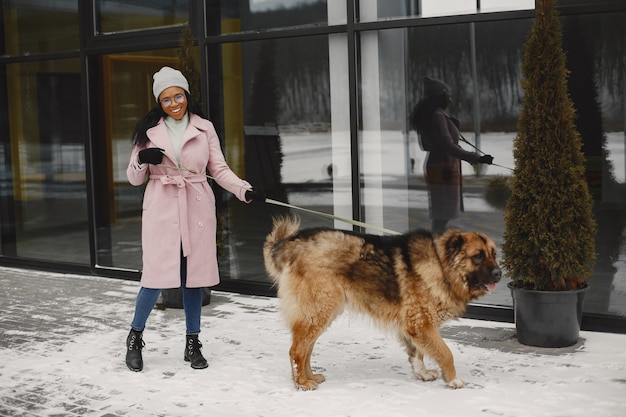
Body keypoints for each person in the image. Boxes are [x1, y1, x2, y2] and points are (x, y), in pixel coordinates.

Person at [125, 66, 264, 372]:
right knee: (154, 278)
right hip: (161, 209)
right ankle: (135, 337)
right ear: (159, 102)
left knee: (193, 280)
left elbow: (220, 170)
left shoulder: (205, 128)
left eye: (178, 96)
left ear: (185, 94)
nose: (174, 103)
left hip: (197, 208)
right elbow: (134, 178)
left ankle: (192, 343)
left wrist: (245, 190)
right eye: (166, 99)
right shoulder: (147, 130)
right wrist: (141, 160)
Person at [409, 77, 494, 235]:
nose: (450, 98)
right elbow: (448, 146)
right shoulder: (438, 116)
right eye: (448, 94)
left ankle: (437, 243)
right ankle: (436, 245)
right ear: (441, 95)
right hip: (443, 168)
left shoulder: (435, 115)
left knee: (442, 215)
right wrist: (477, 158)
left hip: (441, 166)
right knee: (442, 215)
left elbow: (443, 144)